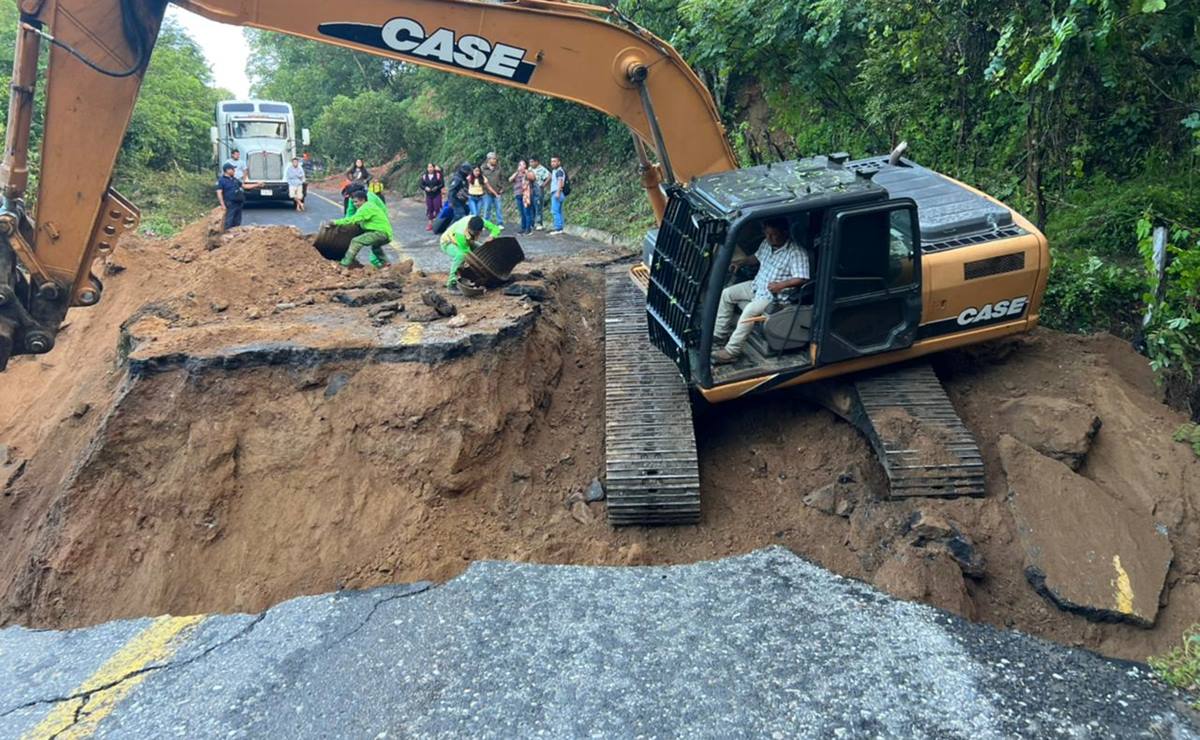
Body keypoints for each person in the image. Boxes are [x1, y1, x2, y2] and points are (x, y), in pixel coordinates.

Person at [711, 217, 810, 365]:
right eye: (767, 234)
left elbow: (802, 278)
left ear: (785, 232)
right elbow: (756, 258)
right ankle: (719, 334)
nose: (769, 238)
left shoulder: (796, 252)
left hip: (774, 296)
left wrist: (781, 285)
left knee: (749, 311)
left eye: (773, 234)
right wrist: (741, 262)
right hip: (757, 285)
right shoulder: (766, 243)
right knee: (727, 294)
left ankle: (731, 351)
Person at [332, 190, 393, 270]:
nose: (355, 204)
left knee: (356, 241)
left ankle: (344, 265)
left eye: (356, 202)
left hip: (379, 233)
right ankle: (386, 264)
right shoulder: (371, 206)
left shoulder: (365, 208)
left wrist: (335, 222)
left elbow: (352, 219)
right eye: (353, 202)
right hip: (386, 233)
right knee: (376, 247)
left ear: (363, 200)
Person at [440, 214, 501, 293]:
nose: (476, 235)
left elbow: (496, 229)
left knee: (483, 250)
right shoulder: (460, 233)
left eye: (477, 233)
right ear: (468, 228)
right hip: (448, 242)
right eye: (474, 233)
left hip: (468, 241)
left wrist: (491, 236)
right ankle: (451, 284)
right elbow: (467, 254)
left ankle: (491, 276)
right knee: (460, 256)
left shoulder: (480, 221)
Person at [215, 162, 260, 230]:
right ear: (227, 170)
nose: (234, 171)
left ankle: (235, 236)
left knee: (237, 221)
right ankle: (227, 235)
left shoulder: (234, 179)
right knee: (229, 221)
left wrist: (257, 185)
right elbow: (219, 192)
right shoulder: (222, 180)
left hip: (238, 202)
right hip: (230, 203)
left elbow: (244, 186)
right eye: (233, 169)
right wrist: (222, 205)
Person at [480, 152, 505, 228]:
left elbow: (502, 179)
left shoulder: (499, 168)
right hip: (487, 192)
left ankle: (500, 223)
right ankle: (486, 223)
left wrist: (502, 188)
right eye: (493, 159)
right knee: (487, 208)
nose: (495, 160)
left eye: (495, 159)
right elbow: (480, 180)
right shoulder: (483, 168)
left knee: (499, 208)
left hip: (497, 191)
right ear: (488, 159)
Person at [509, 159, 532, 234]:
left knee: (526, 211)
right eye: (520, 165)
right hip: (518, 194)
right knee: (521, 212)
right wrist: (517, 172)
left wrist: (526, 172)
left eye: (523, 164)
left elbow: (532, 178)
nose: (521, 166)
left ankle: (528, 228)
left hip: (525, 195)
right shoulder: (517, 174)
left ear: (526, 166)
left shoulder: (527, 172)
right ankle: (523, 227)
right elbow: (510, 179)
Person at [420, 163, 444, 231]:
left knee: (437, 208)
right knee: (430, 208)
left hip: (437, 194)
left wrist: (436, 187)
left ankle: (438, 224)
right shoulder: (424, 176)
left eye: (431, 167)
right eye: (428, 167)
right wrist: (425, 188)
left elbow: (442, 184)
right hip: (428, 195)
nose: (430, 169)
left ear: (434, 168)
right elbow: (421, 185)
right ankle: (430, 224)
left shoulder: (438, 175)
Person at [529, 156, 550, 230]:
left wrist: (543, 185)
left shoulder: (542, 169)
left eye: (532, 162)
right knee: (531, 206)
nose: (530, 163)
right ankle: (532, 223)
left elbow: (549, 176)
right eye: (530, 162)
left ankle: (539, 223)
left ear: (536, 162)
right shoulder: (530, 169)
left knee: (538, 206)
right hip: (531, 189)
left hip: (538, 188)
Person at [548, 156, 567, 235]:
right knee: (559, 211)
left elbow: (560, 182)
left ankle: (558, 228)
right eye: (552, 161)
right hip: (558, 192)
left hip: (557, 192)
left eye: (555, 161)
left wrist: (558, 192)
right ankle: (560, 228)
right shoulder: (555, 171)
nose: (553, 163)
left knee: (555, 211)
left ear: (559, 162)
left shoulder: (559, 171)